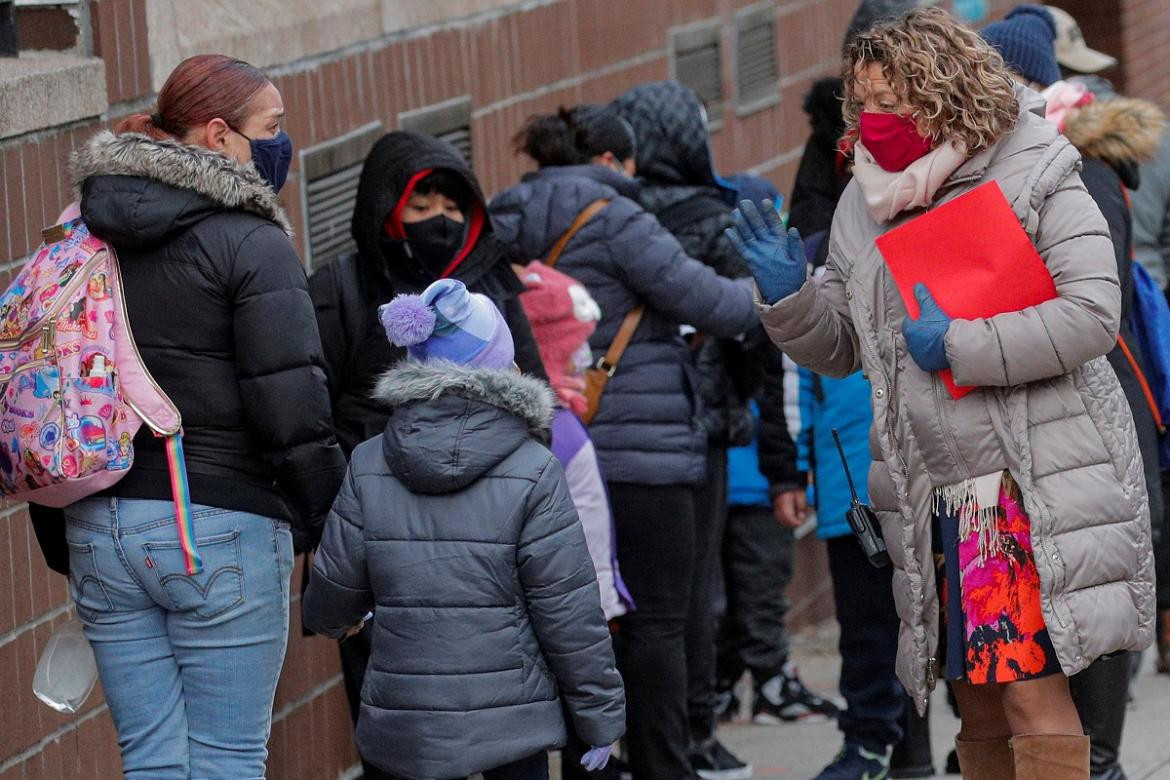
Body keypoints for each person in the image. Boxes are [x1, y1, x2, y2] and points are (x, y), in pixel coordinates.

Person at [729, 8, 1156, 778]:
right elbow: (844, 346)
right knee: (974, 694)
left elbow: (1091, 313)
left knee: (1027, 687)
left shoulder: (1036, 167)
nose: (873, 122)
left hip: (1023, 483)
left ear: (941, 92)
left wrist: (961, 346)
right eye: (862, 105)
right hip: (934, 492)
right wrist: (790, 299)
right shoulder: (866, 199)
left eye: (890, 102)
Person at [43, 54, 348, 778]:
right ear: (218, 136)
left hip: (97, 526)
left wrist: (64, 539)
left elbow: (48, 390)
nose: (281, 144)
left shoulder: (80, 232)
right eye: (270, 128)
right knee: (227, 757)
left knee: (151, 758)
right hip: (217, 525)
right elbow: (292, 410)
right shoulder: (252, 241)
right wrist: (330, 529)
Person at [492, 104, 757, 780]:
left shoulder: (500, 219)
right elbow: (720, 307)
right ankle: (665, 767)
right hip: (642, 458)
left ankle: (594, 770)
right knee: (657, 624)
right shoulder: (619, 221)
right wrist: (778, 288)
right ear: (611, 162)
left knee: (572, 624)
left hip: (545, 455)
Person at [303, 279, 625, 780]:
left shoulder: (368, 464)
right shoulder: (535, 470)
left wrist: (341, 615)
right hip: (512, 731)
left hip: (404, 729)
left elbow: (330, 598)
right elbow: (569, 613)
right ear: (502, 368)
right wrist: (600, 717)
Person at [308, 129, 547, 778]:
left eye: (451, 207)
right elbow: (312, 418)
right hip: (386, 550)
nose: (440, 223)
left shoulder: (491, 285)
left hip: (487, 545)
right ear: (385, 211)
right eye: (420, 208)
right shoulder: (341, 289)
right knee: (395, 732)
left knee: (507, 718)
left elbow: (534, 402)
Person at [983, 12, 1167, 776]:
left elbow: (1089, 309)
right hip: (1057, 416)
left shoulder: (1077, 171)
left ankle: (1101, 762)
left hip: (1090, 415)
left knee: (1090, 593)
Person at [609, 81, 774, 780]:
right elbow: (752, 326)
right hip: (697, 427)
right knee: (691, 592)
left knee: (624, 591)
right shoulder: (720, 217)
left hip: (613, 429)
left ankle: (629, 733)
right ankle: (694, 730)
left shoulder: (612, 214)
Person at [716, 346, 841, 728]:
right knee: (756, 592)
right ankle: (767, 683)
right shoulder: (743, 305)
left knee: (744, 594)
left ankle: (736, 685)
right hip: (754, 474)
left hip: (745, 472)